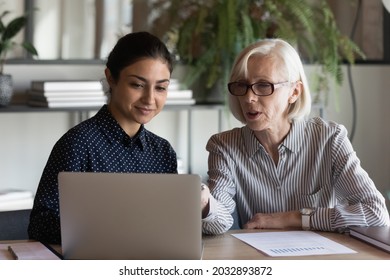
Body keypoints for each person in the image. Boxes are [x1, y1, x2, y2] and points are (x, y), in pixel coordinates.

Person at [200, 38, 390, 235]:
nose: (249, 98)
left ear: (294, 92)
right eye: (242, 85)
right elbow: (218, 223)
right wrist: (204, 203)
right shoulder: (223, 146)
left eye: (264, 85)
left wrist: (294, 218)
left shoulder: (330, 139)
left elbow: (376, 213)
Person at [28, 32, 178, 244]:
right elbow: (40, 224)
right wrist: (106, 231)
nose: (150, 99)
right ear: (111, 78)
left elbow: (171, 223)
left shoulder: (162, 151)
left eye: (161, 87)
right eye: (137, 85)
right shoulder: (78, 144)